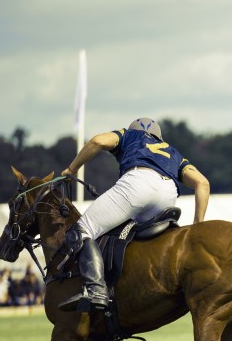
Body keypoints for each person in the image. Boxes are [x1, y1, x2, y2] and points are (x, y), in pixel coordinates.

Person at [58, 117, 211, 311]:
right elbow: (202, 183)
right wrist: (197, 227)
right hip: (168, 193)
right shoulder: (173, 153)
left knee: (81, 231)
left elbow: (97, 141)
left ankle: (96, 289)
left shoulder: (129, 135)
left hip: (138, 182)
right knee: (129, 237)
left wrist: (72, 169)